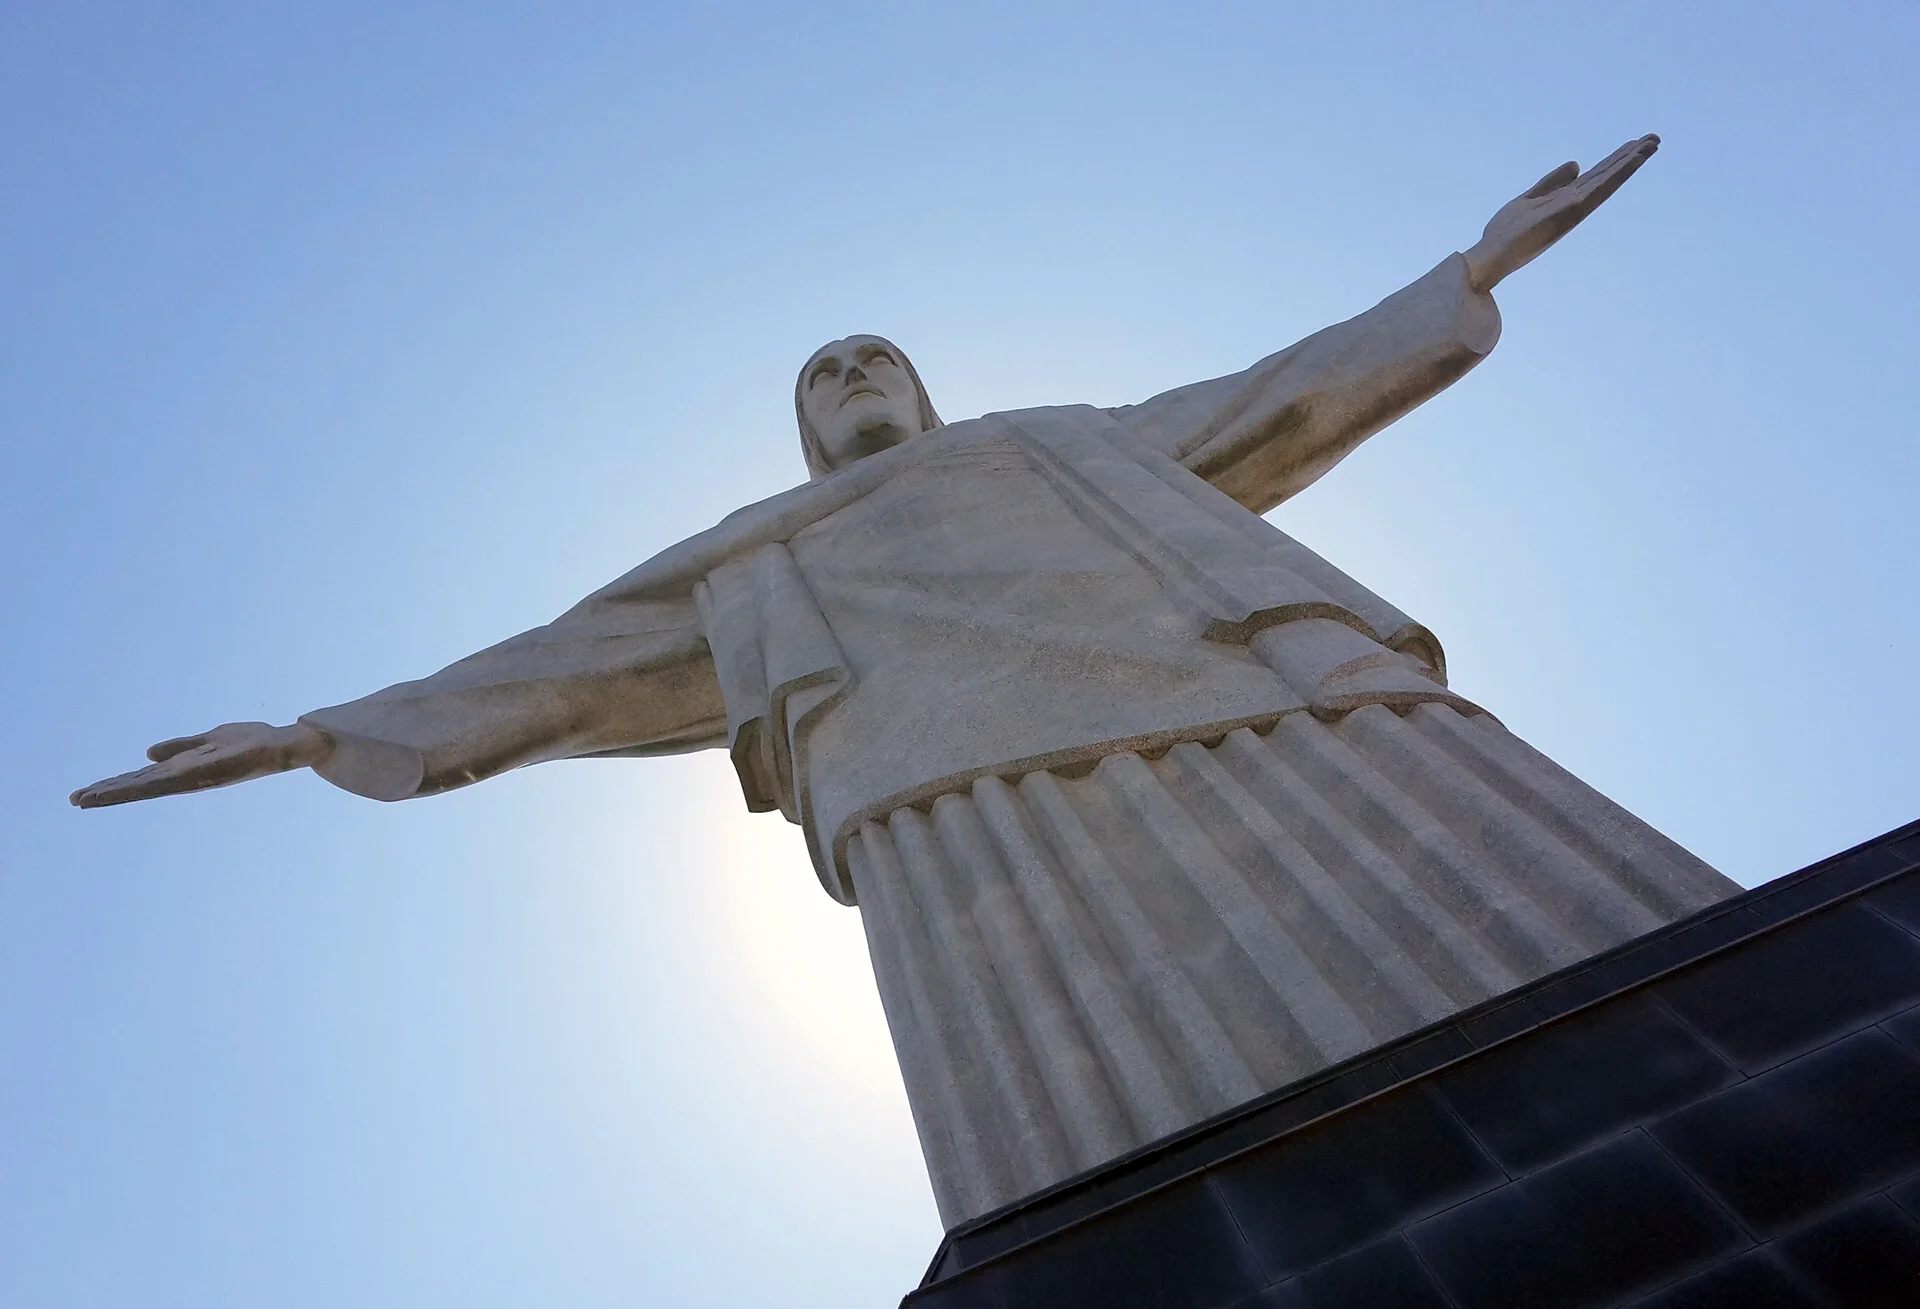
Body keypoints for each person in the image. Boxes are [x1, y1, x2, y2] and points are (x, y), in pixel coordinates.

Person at [74, 136, 1736, 1224]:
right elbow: (559, 668)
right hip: (961, 806)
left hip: (1265, 697)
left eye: (877, 356)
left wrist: (1471, 273)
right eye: (826, 372)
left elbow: (1286, 392)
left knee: (1578, 954)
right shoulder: (749, 554)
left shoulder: (1066, 441)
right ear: (805, 433)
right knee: (1112, 1153)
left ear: (926, 391)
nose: (858, 374)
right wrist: (313, 735)